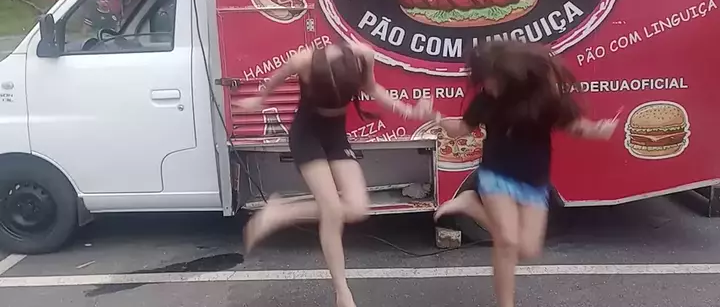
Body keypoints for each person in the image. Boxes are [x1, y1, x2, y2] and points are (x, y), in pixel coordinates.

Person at [425, 41, 618, 307]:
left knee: (527, 249)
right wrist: (435, 118)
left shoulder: (542, 98)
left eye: (488, 79)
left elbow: (573, 125)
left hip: (534, 180)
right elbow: (461, 129)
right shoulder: (485, 100)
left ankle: (470, 204)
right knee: (506, 242)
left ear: (507, 74)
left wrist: (597, 131)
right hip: (495, 173)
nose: (485, 85)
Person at [233, 42, 427, 307]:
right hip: (306, 135)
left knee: (357, 208)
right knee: (332, 211)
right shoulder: (303, 61)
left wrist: (408, 110)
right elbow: (275, 79)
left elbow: (372, 89)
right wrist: (259, 99)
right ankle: (342, 292)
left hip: (336, 135)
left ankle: (282, 212)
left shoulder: (362, 57)